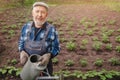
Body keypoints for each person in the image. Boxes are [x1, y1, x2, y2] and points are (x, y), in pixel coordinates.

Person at [18, 2, 60, 76]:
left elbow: (56, 47)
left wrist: (49, 55)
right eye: (37, 11)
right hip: (28, 66)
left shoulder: (51, 29)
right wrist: (22, 52)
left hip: (44, 67)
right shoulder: (26, 27)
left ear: (46, 15)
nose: (40, 15)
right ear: (32, 13)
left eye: (43, 12)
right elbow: (21, 41)